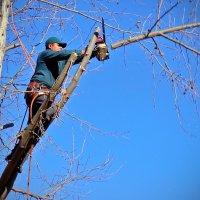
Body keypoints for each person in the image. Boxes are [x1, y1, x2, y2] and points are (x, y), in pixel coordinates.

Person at [25, 37, 93, 123]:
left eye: (62, 46)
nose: (61, 47)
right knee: (48, 112)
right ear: (50, 46)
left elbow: (76, 57)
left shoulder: (60, 62)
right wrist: (80, 51)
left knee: (39, 123)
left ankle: (33, 133)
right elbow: (62, 54)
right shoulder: (45, 54)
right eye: (59, 45)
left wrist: (92, 52)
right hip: (38, 91)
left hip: (47, 94)